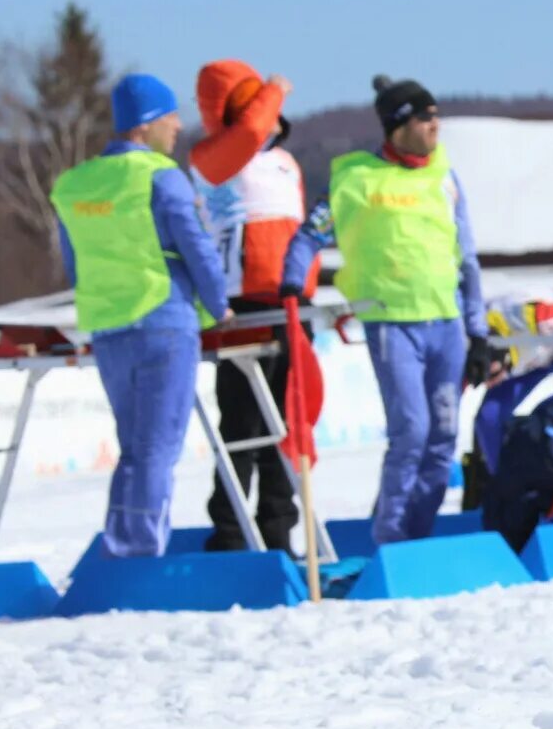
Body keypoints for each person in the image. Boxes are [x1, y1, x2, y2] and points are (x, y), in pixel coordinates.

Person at [280, 76, 489, 544]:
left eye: (437, 115)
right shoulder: (355, 178)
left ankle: (418, 537)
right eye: (425, 117)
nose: (436, 126)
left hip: (446, 323)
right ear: (399, 126)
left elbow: (467, 256)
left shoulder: (444, 177)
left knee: (442, 439)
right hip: (393, 323)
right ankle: (390, 540)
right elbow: (309, 235)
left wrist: (478, 331)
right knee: (411, 432)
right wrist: (294, 279)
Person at [50, 74, 231, 557]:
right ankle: (140, 553)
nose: (177, 128)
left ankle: (123, 546)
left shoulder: (75, 184)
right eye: (170, 117)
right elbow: (196, 246)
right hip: (162, 320)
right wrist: (219, 304)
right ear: (147, 124)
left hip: (109, 327)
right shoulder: (159, 175)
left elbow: (73, 261)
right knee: (156, 449)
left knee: (134, 447)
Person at [188, 60, 314, 552]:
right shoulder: (213, 157)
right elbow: (248, 135)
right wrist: (276, 89)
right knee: (241, 424)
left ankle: (279, 529)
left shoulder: (285, 163)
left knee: (286, 424)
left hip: (289, 305)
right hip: (240, 307)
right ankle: (231, 530)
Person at [470, 291, 553, 477]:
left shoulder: (546, 319)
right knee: (488, 417)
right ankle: (503, 486)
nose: (489, 384)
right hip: (526, 359)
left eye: (493, 376)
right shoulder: (473, 341)